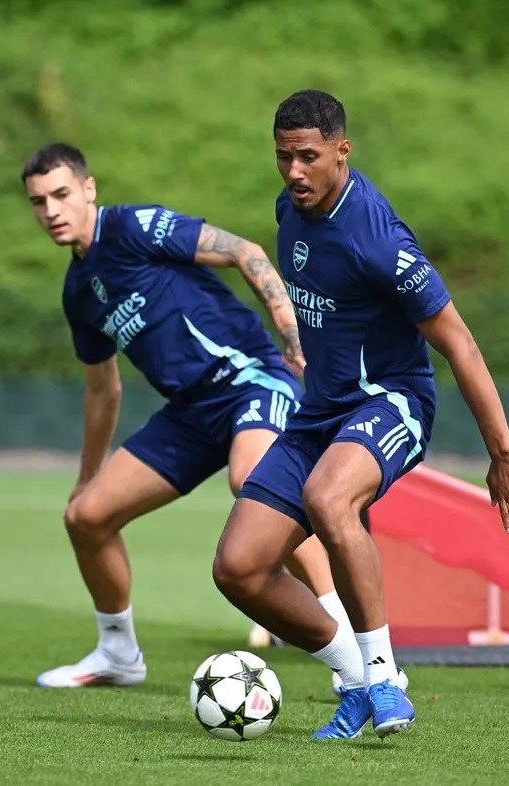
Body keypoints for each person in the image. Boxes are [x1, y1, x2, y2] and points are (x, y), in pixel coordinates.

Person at [212, 90, 509, 740]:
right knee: (239, 569)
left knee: (327, 499)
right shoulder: (290, 208)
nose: (293, 172)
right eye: (282, 157)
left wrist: (501, 454)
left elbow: (459, 342)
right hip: (319, 414)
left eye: (307, 157)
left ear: (342, 151)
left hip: (390, 400)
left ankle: (386, 676)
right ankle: (358, 681)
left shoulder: (378, 239)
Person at [20, 142, 355, 688]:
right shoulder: (79, 292)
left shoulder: (132, 227)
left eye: (61, 194)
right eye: (39, 202)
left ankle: (351, 649)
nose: (52, 211)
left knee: (255, 480)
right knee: (86, 517)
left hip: (250, 380)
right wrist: (86, 477)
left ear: (88, 188)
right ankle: (118, 655)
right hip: (191, 414)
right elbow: (103, 392)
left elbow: (245, 252)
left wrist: (293, 340)